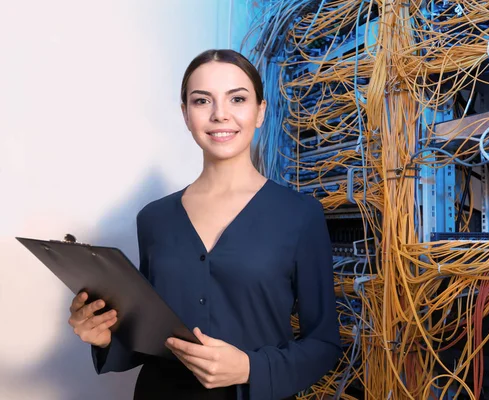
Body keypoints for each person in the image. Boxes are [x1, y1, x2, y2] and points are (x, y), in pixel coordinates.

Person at [67, 49, 342, 400]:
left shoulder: (301, 215)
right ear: (186, 115)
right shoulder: (153, 219)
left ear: (260, 112)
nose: (220, 115)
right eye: (202, 101)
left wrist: (249, 368)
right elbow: (150, 333)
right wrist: (105, 335)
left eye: (237, 99)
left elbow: (323, 343)